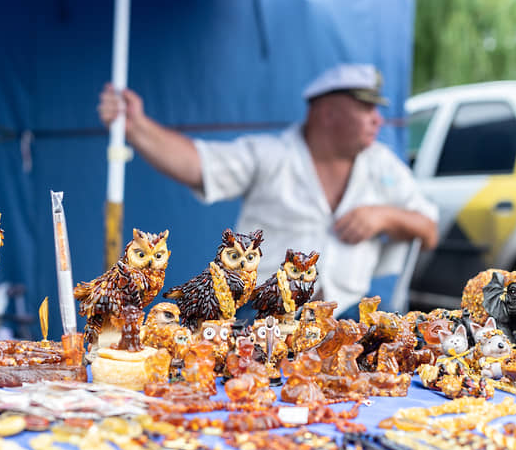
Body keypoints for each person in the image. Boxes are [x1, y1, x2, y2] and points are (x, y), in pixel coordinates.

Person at [97, 63, 439, 317]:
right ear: (327, 113)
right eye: (366, 108)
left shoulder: (382, 165)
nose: (377, 119)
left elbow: (429, 229)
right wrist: (136, 126)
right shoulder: (271, 155)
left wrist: (384, 216)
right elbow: (198, 165)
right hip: (263, 316)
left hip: (347, 316)